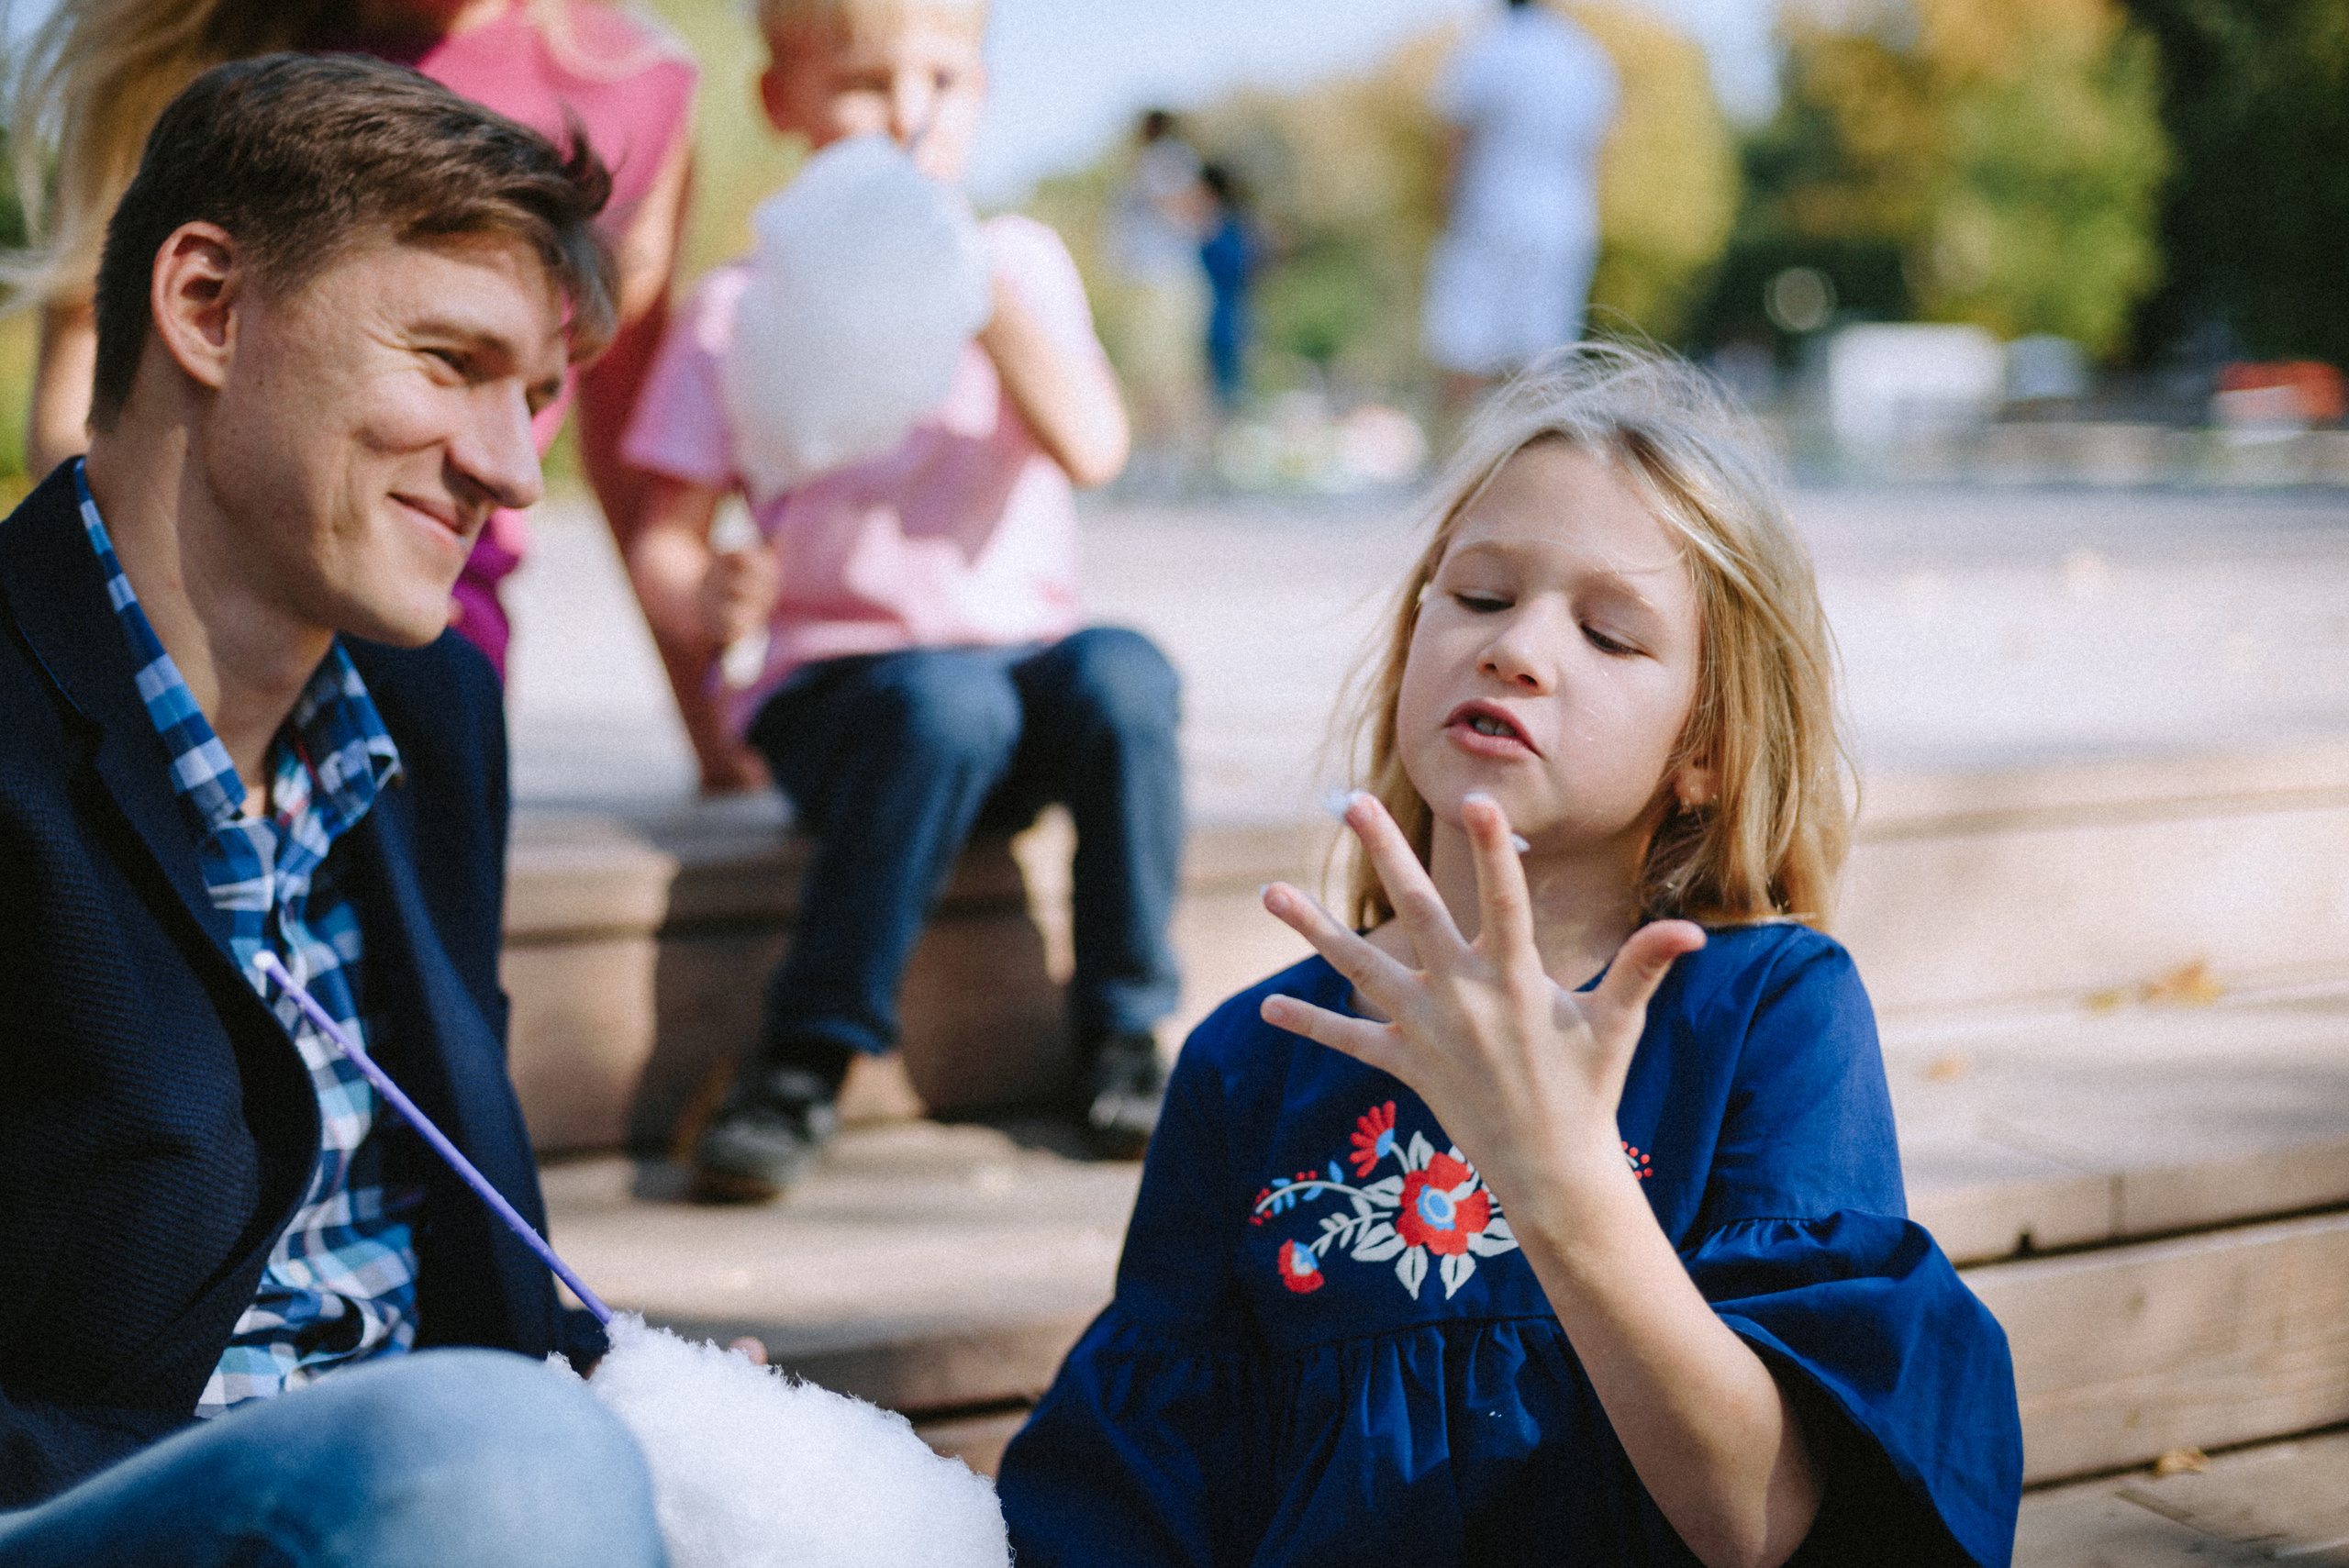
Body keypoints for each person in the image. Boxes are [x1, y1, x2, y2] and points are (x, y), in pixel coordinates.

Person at [995, 348, 2024, 1566]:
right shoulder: (1249, 1060)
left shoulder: (1765, 1010)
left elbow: (1760, 1518)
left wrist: (1562, 1179)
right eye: (1480, 596)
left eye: (1607, 633)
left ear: (1705, 747)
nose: (1518, 647)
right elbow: (1136, 1499)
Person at [0, 54, 664, 1563]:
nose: (514, 471)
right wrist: (376, 1465)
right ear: (207, 307)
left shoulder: (435, 714)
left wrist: (651, 1407)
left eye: (536, 399)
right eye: (449, 361)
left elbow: (459, 1250)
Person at [620, 0, 1181, 1201]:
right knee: (944, 705)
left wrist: (967, 283)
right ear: (783, 101)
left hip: (1021, 681)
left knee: (1127, 670)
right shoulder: (743, 302)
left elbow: (1093, 447)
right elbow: (665, 541)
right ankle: (806, 1055)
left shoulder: (1018, 263)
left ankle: (1126, 1029)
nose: (911, 112)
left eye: (945, 79)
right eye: (868, 84)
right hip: (844, 698)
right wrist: (707, 594)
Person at [3, 0, 761, 793]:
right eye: (447, 359)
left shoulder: (632, 83)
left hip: (439, 609)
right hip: (191, 597)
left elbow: (629, 434)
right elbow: (79, 410)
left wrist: (714, 729)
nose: (518, 477)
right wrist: (151, 629)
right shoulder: (173, 50)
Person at [1421, 0, 1618, 408]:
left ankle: (1457, 445)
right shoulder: (1584, 55)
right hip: (1565, 223)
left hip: (1490, 215)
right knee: (1546, 360)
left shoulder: (1488, 46)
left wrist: (1444, 208)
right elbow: (1594, 150)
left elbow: (1458, 138)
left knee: (1465, 349)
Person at [1107, 108, 1214, 486]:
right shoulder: (1159, 162)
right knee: (1160, 373)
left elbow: (1195, 211)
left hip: (1161, 280)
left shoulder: (1163, 159)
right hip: (1160, 281)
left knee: (1162, 374)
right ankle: (1176, 459)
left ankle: (1169, 461)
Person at [1197, 161, 1263, 413]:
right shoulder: (1237, 228)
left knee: (1228, 396)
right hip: (1233, 319)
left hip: (1225, 321)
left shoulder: (1219, 228)